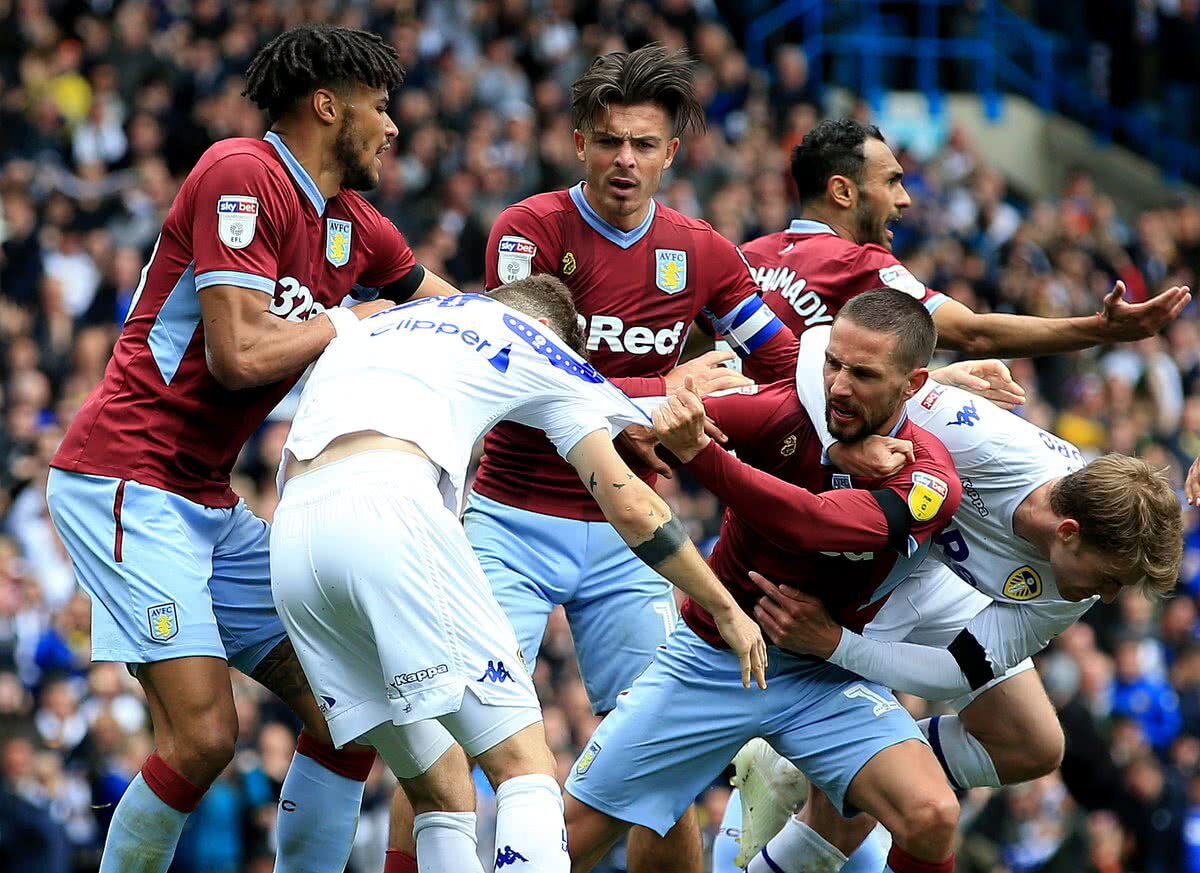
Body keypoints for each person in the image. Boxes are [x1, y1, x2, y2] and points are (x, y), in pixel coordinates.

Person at [43, 24, 461, 873]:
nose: (392, 129)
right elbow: (237, 355)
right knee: (204, 736)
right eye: (380, 109)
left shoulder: (358, 227)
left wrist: (605, 386)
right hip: (125, 476)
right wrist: (349, 321)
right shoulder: (242, 173)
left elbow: (465, 323)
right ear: (327, 104)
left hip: (204, 495)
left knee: (348, 702)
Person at [384, 44, 797, 873]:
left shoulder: (705, 253)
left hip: (630, 542)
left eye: (644, 144)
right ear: (579, 142)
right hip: (513, 518)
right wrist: (661, 389)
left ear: (672, 153)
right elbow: (522, 371)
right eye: (609, 141)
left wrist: (705, 400)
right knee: (446, 733)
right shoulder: (528, 232)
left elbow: (783, 366)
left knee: (658, 764)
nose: (625, 160)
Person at [269, 275, 767, 873]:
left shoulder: (379, 326)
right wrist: (724, 608)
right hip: (389, 510)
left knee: (439, 782)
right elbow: (633, 507)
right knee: (526, 766)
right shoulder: (537, 344)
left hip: (294, 535)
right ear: (565, 337)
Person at [714, 324, 1184, 873]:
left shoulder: (1074, 584)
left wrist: (835, 645)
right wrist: (844, 443)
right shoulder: (983, 440)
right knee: (891, 799)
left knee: (1031, 745)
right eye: (1110, 580)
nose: (1107, 598)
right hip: (860, 564)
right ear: (1069, 531)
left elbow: (958, 670)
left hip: (933, 575)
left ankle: (809, 768)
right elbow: (818, 346)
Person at [562, 290, 964, 873]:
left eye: (864, 374)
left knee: (933, 815)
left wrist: (701, 453)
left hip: (824, 677)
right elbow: (637, 424)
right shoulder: (785, 415)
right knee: (567, 840)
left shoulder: (930, 476)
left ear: (912, 383)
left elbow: (811, 524)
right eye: (832, 364)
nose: (839, 387)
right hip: (710, 661)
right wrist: (673, 396)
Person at [743, 117, 1190, 356]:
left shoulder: (744, 259)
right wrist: (1100, 329)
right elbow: (977, 334)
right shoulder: (860, 265)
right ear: (842, 191)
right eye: (891, 183)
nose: (906, 200)